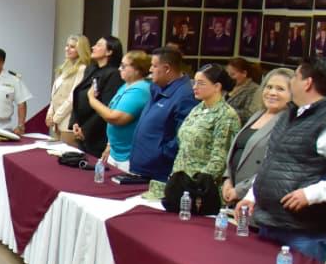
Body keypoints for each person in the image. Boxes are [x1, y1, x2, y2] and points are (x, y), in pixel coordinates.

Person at [239, 58, 326, 262]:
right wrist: (251, 196)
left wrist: (312, 194)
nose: (291, 82)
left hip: (306, 232)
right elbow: (273, 161)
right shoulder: (290, 114)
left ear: (307, 83)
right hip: (271, 221)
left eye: (295, 77)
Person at [146, 64, 240, 200]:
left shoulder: (226, 115)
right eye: (194, 82)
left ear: (217, 87)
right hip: (180, 183)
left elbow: (220, 159)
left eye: (201, 83)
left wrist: (196, 186)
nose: (195, 87)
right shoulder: (198, 109)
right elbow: (183, 147)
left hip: (201, 190)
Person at [221, 68, 293, 207]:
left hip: (257, 199)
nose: (272, 92)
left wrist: (240, 190)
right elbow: (237, 151)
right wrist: (227, 180)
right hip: (233, 195)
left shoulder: (288, 123)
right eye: (269, 87)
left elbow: (273, 167)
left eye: (280, 89)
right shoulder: (257, 115)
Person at [128, 46, 199, 185]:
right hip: (143, 166)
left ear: (166, 68)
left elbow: (183, 136)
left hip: (160, 172)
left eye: (154, 66)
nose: (150, 70)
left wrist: (160, 154)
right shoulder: (157, 87)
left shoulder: (186, 95)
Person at [91, 52, 152, 171]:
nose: (119, 69)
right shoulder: (126, 85)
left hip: (128, 155)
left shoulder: (140, 89)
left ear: (137, 69)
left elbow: (114, 117)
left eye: (124, 66)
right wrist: (109, 144)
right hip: (115, 151)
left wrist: (92, 99)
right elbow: (112, 109)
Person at [69, 36, 124, 156]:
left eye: (99, 45)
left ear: (109, 52)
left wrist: (86, 129)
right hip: (81, 127)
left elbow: (106, 106)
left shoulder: (114, 74)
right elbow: (78, 95)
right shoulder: (91, 69)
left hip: (97, 134)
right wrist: (75, 122)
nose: (93, 47)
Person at [47, 35, 88, 144]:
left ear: (80, 50)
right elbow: (56, 94)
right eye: (67, 45)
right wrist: (50, 113)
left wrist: (56, 117)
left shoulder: (82, 69)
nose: (67, 49)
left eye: (72, 47)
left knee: (66, 152)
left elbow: (73, 97)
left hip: (68, 122)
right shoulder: (65, 67)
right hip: (57, 122)